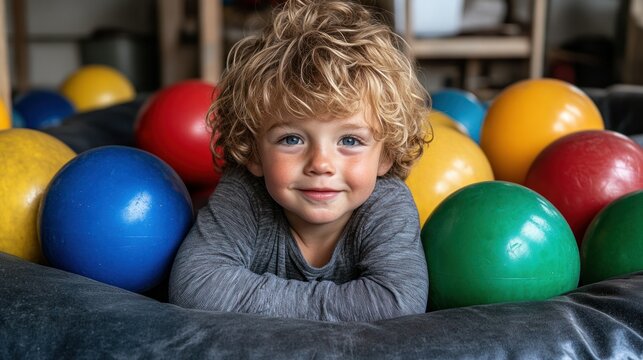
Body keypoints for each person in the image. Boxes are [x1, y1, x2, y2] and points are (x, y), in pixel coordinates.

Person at [169, 0, 430, 322]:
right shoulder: (245, 194)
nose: (321, 164)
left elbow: (397, 303)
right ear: (253, 152)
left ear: (386, 155)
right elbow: (194, 286)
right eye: (291, 139)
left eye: (350, 141)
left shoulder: (386, 204)